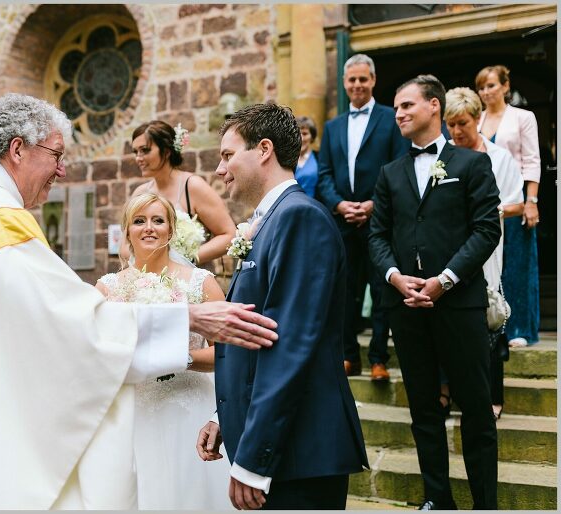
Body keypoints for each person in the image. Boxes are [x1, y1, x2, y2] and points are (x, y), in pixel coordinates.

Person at [0, 94, 278, 510]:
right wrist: (190, 317)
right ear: (18, 149)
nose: (62, 171)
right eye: (57, 155)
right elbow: (67, 324)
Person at [197, 102, 368, 510]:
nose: (220, 170)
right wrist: (227, 416)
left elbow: (289, 344)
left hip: (299, 451)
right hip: (285, 446)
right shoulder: (272, 220)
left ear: (264, 149)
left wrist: (256, 458)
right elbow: (253, 334)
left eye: (227, 155)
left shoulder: (299, 219)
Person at [368, 75, 501, 510]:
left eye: (407, 105)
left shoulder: (472, 164)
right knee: (424, 409)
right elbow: (377, 235)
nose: (399, 113)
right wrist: (394, 276)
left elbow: (486, 231)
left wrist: (444, 280)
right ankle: (437, 500)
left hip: (459, 304)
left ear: (433, 107)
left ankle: (485, 503)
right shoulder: (389, 174)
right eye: (396, 108)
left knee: (477, 410)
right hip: (405, 305)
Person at [95, 193, 232, 510]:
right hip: (132, 414)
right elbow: (97, 356)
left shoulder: (201, 283)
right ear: (127, 230)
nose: (149, 228)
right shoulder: (107, 288)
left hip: (188, 411)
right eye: (139, 221)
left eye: (158, 220)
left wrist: (179, 358)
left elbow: (229, 354)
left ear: (172, 230)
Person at [316, 53, 409, 381]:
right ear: (344, 83)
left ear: (373, 81)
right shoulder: (332, 126)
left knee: (382, 290)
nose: (357, 85)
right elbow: (324, 173)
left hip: (378, 219)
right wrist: (340, 204)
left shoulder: (390, 118)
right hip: (342, 222)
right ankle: (348, 355)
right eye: (351, 80)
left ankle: (379, 358)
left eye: (363, 79)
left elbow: (399, 165)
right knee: (343, 291)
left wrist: (373, 204)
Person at [444, 86, 524, 421]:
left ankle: (492, 393)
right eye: (451, 124)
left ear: (477, 119)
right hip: (448, 250)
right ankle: (448, 389)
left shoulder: (499, 158)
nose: (457, 131)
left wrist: (483, 212)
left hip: (487, 248)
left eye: (462, 123)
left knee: (488, 319)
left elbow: (516, 203)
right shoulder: (442, 156)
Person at [475, 64, 542, 348]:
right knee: (488, 266)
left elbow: (532, 160)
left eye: (491, 85)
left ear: (505, 86)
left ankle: (519, 329)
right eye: (481, 87)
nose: (486, 91)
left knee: (516, 263)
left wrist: (531, 201)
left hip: (513, 200)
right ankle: (492, 324)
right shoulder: (474, 120)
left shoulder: (522, 117)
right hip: (482, 203)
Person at [126, 120, 236, 265]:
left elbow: (229, 235)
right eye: (135, 152)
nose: (138, 158)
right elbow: (124, 244)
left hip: (188, 279)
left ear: (166, 152)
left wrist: (185, 260)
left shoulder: (193, 186)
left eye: (145, 150)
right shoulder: (139, 193)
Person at [293, 116, 319, 196]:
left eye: (305, 133)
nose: (301, 138)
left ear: (312, 137)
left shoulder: (320, 158)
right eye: (297, 133)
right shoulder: (285, 159)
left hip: (314, 205)